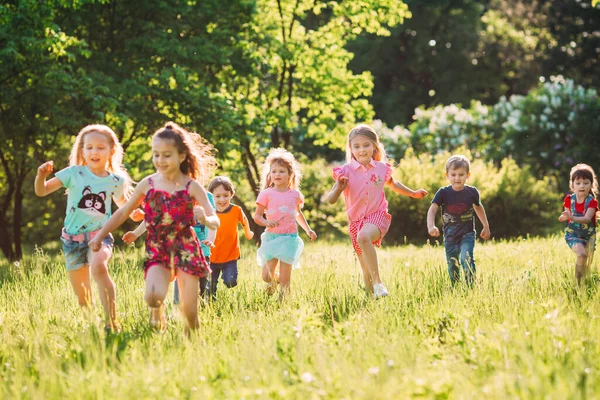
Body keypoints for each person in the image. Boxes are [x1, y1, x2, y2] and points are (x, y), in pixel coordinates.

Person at [89, 122, 219, 335]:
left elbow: (215, 218)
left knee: (190, 312)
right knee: (153, 296)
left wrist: (206, 219)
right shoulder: (147, 184)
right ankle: (158, 313)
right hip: (158, 247)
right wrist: (100, 235)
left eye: (167, 155)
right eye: (156, 154)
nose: (160, 160)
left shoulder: (191, 186)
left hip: (186, 246)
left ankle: (192, 348)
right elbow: (122, 213)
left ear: (182, 156)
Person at [34, 124, 143, 333]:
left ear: (111, 151)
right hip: (72, 240)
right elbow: (42, 191)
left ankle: (112, 322)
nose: (94, 152)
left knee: (99, 267)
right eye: (90, 147)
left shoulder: (115, 180)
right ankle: (92, 324)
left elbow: (122, 203)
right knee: (82, 295)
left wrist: (133, 214)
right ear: (82, 150)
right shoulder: (73, 173)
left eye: (100, 147)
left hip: (99, 236)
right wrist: (40, 177)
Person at [328, 124, 427, 299]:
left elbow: (393, 183)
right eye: (356, 146)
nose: (362, 150)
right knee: (365, 271)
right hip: (356, 222)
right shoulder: (345, 171)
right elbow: (331, 199)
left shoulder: (381, 168)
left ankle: (379, 283)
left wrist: (413, 193)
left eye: (366, 145)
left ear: (374, 146)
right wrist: (338, 189)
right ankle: (371, 304)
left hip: (378, 215)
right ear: (350, 148)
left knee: (364, 237)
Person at [253, 148, 316, 298]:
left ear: (290, 174)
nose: (277, 174)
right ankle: (275, 280)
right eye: (274, 171)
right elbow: (257, 216)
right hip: (272, 238)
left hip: (289, 238)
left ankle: (284, 306)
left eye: (281, 171)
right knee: (266, 276)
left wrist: (308, 230)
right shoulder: (266, 194)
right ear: (270, 175)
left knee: (286, 280)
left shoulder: (294, 195)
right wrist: (267, 222)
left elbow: (297, 214)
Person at [427, 155, 491, 287]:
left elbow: (478, 207)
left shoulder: (472, 192)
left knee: (466, 258)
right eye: (453, 174)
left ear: (468, 175)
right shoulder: (443, 193)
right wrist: (431, 226)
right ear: (447, 175)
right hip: (450, 236)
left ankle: (470, 286)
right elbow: (432, 209)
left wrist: (486, 226)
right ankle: (455, 287)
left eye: (461, 174)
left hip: (467, 234)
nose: (457, 178)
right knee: (452, 263)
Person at [204, 176, 254, 298]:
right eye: (218, 196)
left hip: (230, 256)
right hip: (212, 257)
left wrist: (248, 233)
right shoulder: (208, 212)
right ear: (211, 197)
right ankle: (211, 305)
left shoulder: (236, 210)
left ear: (231, 194)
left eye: (225, 195)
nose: (222, 199)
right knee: (209, 290)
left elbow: (244, 220)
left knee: (230, 282)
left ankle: (226, 276)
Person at [558, 163, 598, 285]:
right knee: (581, 254)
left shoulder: (592, 202)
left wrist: (571, 217)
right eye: (578, 183)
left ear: (591, 184)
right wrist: (564, 217)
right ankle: (578, 284)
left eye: (586, 183)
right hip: (573, 235)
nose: (582, 186)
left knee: (586, 263)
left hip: (589, 236)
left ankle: (585, 284)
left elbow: (586, 219)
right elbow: (568, 214)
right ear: (572, 185)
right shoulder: (569, 200)